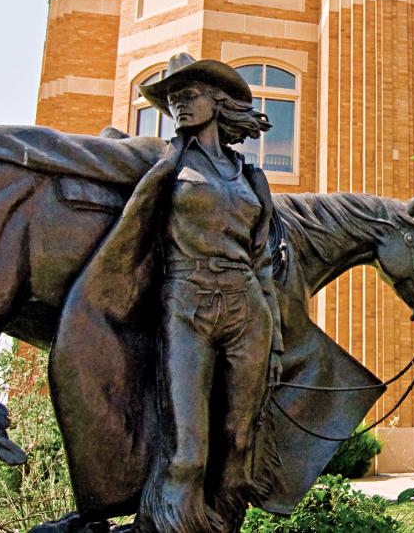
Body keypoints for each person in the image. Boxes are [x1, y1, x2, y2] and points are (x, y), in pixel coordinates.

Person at [132, 55, 284, 532]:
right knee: (187, 451)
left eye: (188, 94)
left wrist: (274, 338)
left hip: (247, 309)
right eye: (172, 99)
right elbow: (77, 156)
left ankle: (221, 525)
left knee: (239, 442)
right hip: (187, 303)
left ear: (217, 102)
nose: (178, 104)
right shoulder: (163, 161)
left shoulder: (250, 175)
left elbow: (262, 261)